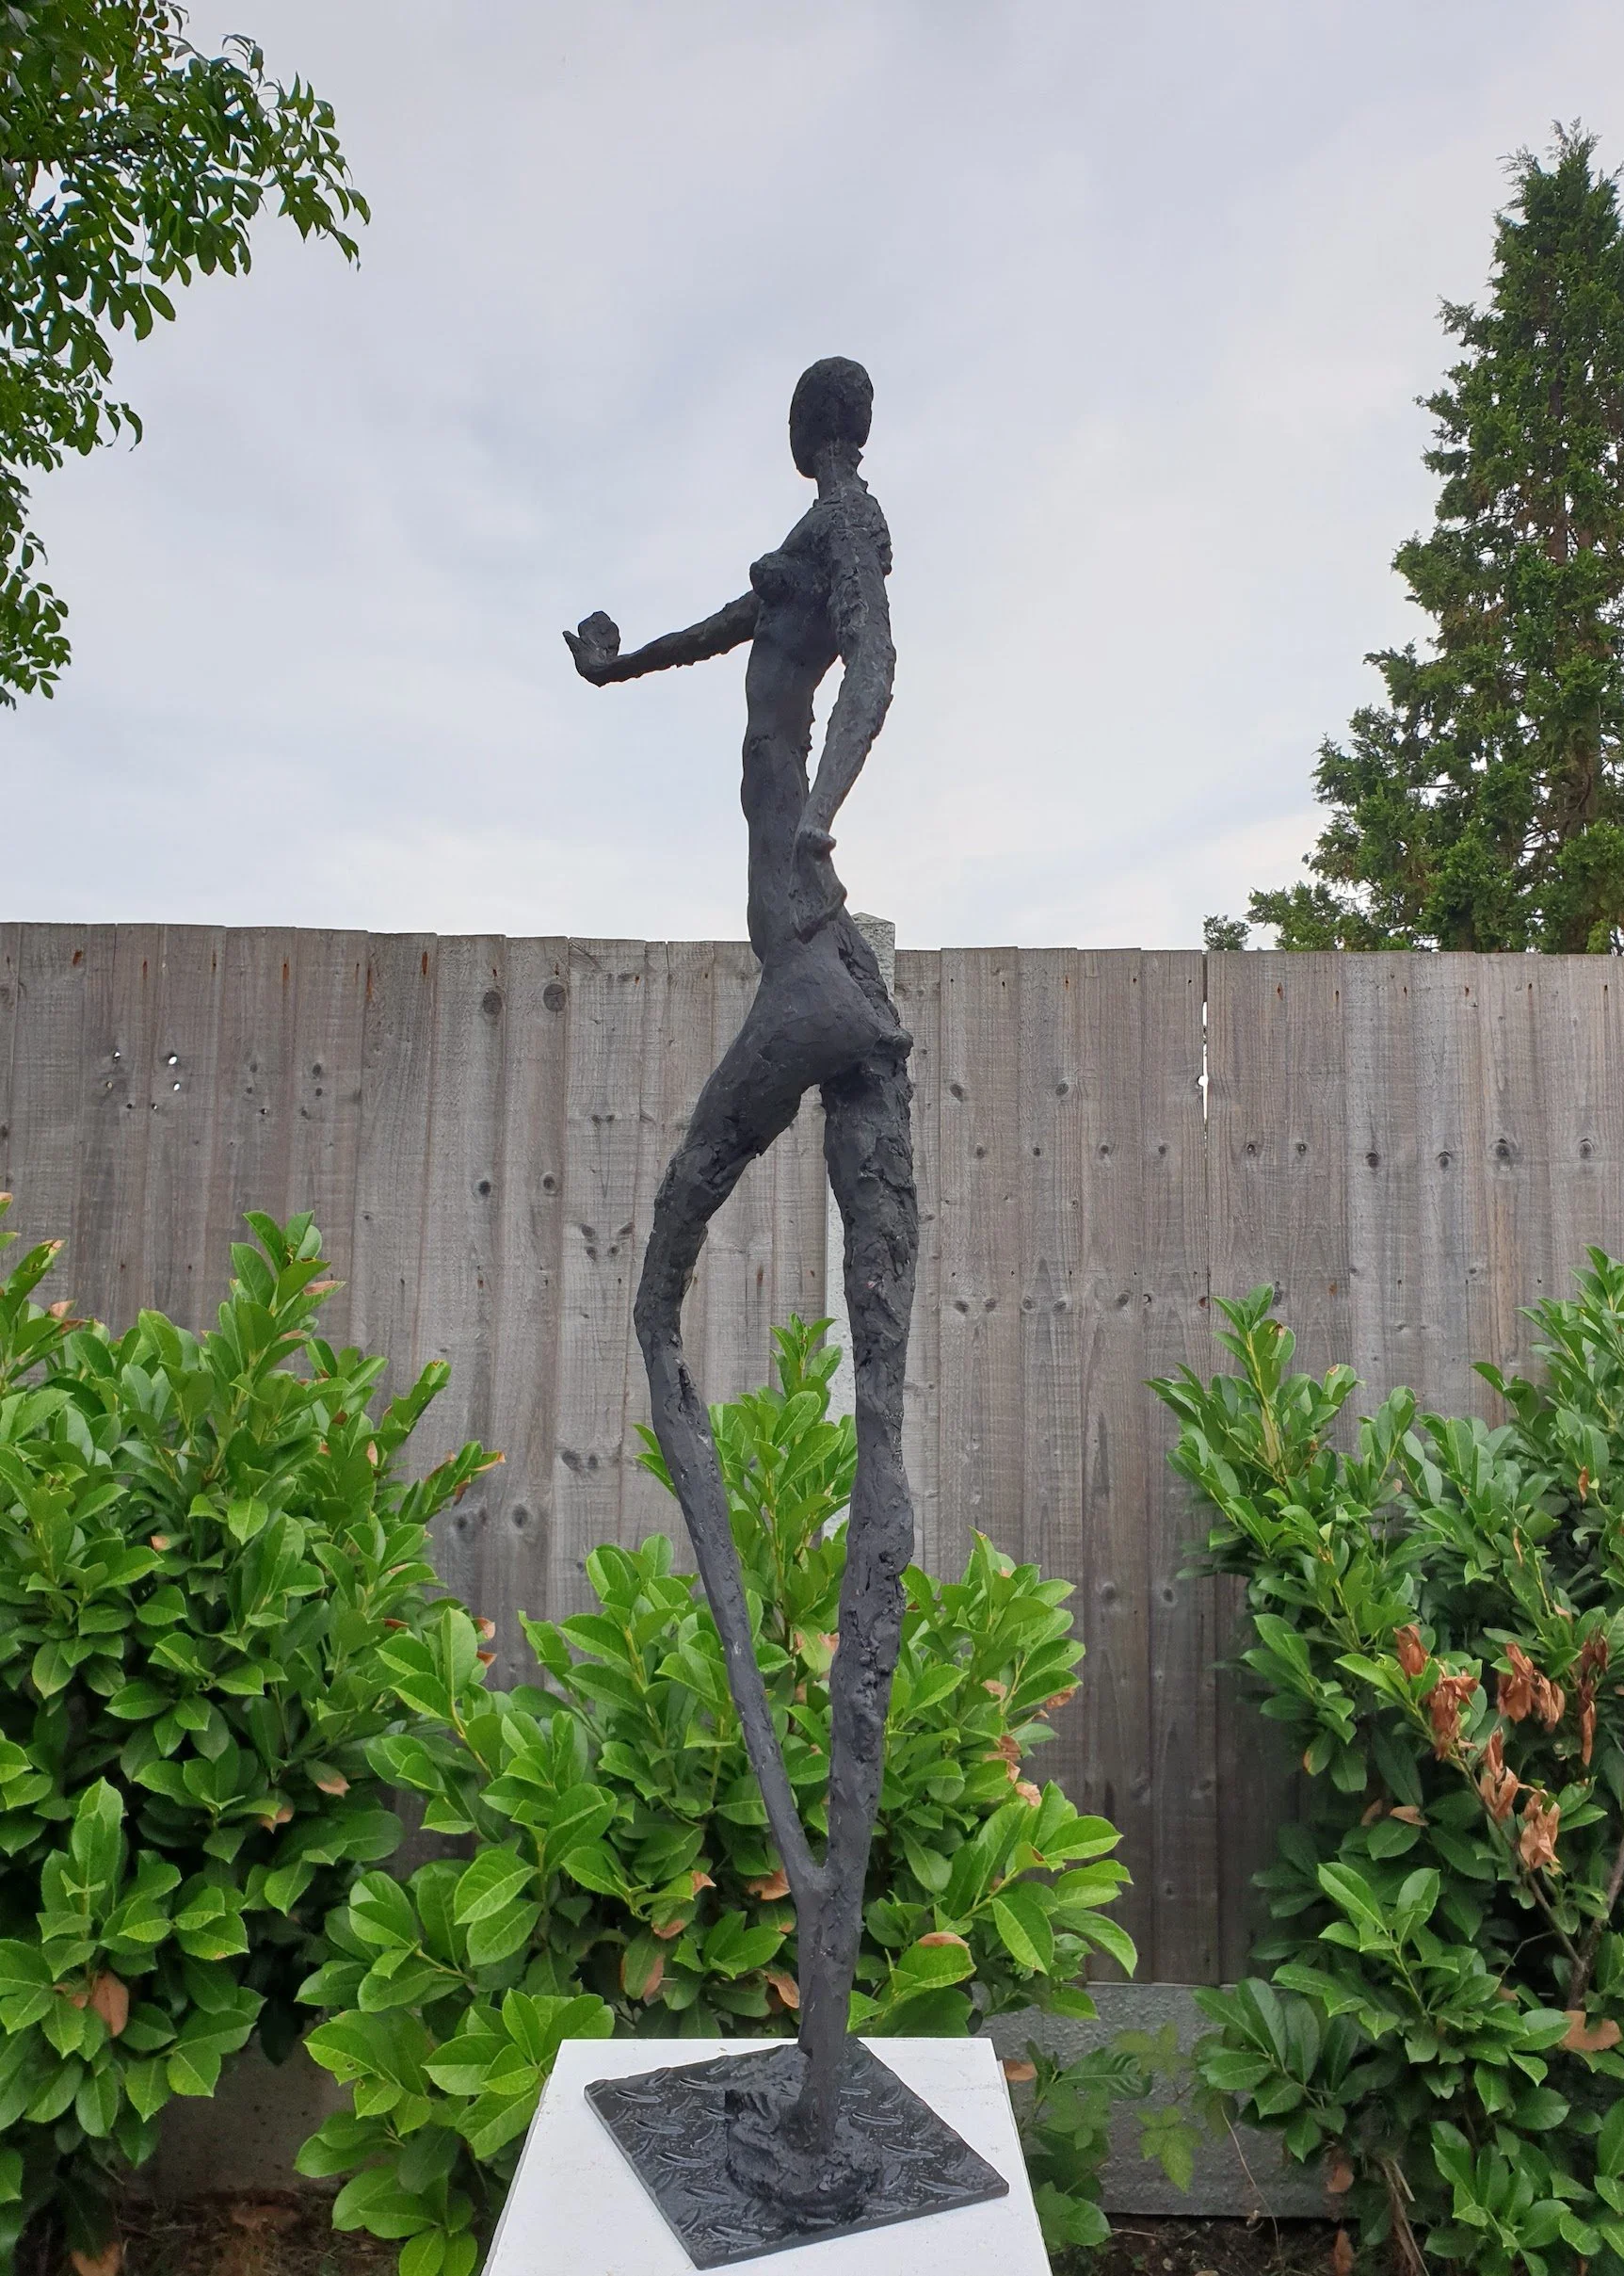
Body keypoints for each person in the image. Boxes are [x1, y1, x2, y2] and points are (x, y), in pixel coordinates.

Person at [565, 358, 918, 2210]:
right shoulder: (798, 546)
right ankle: (824, 2064)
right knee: (878, 1412)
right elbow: (740, 630)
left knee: (656, 1300)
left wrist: (820, 821)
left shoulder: (845, 529)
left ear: (817, 423)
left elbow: (878, 665)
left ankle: (820, 2040)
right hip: (838, 989)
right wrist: (617, 663)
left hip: (811, 962)